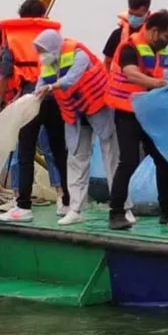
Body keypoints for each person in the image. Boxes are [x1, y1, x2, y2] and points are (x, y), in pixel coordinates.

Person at [31, 29, 135, 225]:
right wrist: (34, 95)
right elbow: (41, 83)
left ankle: (124, 207)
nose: (40, 55)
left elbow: (72, 78)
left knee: (112, 159)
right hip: (75, 115)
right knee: (76, 158)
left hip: (98, 108)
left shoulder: (79, 55)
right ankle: (75, 209)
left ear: (53, 46)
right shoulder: (47, 65)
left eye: (42, 50)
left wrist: (51, 88)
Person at [0, 0, 71, 223]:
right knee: (58, 150)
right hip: (54, 96)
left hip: (29, 99)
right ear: (42, 14)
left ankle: (23, 205)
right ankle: (65, 201)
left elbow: (5, 73)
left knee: (24, 152)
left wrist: (0, 103)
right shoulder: (54, 36)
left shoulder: (13, 37)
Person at [105, 9, 168, 230]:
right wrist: (155, 84)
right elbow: (130, 73)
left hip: (151, 113)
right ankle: (116, 212)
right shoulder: (129, 47)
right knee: (128, 160)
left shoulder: (165, 47)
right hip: (128, 112)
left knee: (163, 159)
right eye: (166, 35)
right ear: (154, 31)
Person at [102, 0, 152, 71]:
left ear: (148, 14)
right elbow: (107, 61)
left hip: (149, 80)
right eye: (131, 14)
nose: (133, 18)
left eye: (138, 16)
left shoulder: (156, 35)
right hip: (119, 81)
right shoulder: (117, 34)